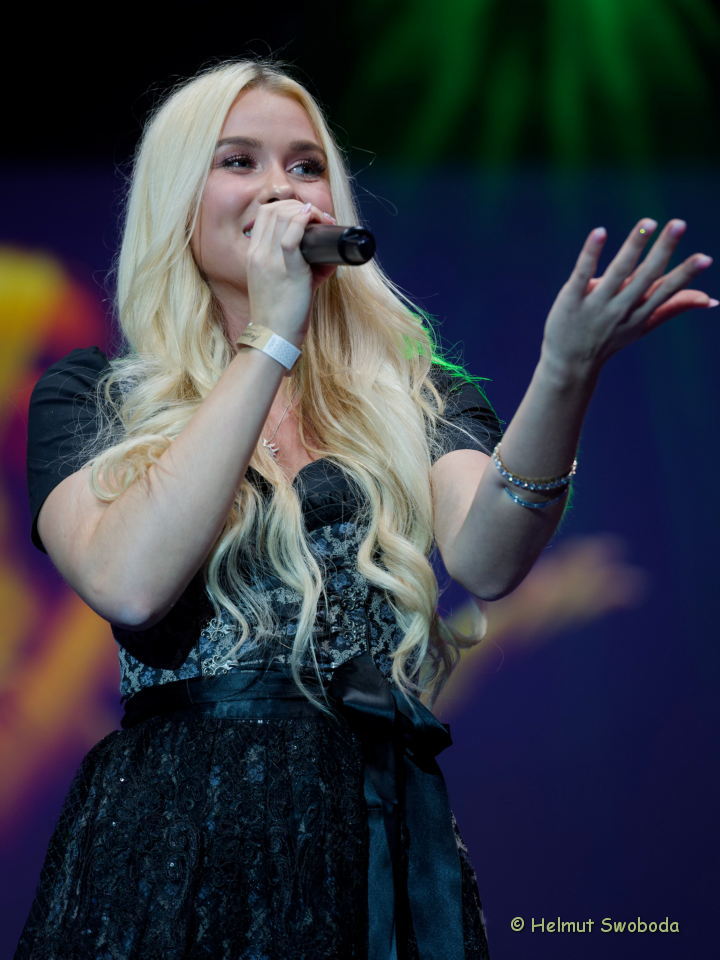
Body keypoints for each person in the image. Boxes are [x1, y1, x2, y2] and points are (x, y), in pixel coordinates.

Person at [15, 57, 715, 960]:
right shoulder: (91, 397)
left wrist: (565, 372)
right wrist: (271, 335)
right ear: (177, 199)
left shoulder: (409, 392)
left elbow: (490, 558)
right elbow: (129, 581)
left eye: (306, 166)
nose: (282, 188)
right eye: (240, 161)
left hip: (372, 828)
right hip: (179, 836)